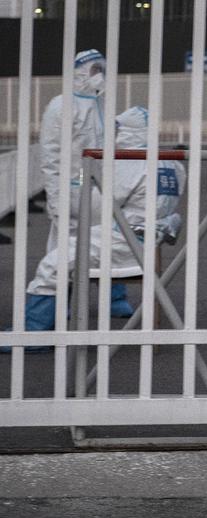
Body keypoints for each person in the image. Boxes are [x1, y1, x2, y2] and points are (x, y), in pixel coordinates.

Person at [3, 106, 184, 353]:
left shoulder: (131, 161)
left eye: (119, 128)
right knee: (70, 255)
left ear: (129, 131)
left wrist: (74, 187)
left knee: (52, 265)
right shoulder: (170, 163)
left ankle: (34, 336)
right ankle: (109, 304)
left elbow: (95, 206)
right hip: (145, 238)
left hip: (123, 240)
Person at [22, 49, 134, 331]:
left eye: (102, 70)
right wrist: (56, 199)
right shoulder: (61, 106)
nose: (100, 76)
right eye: (94, 70)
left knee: (106, 244)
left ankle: (113, 298)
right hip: (72, 192)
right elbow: (50, 157)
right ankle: (52, 313)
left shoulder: (102, 105)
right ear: (80, 72)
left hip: (101, 193)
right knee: (61, 253)